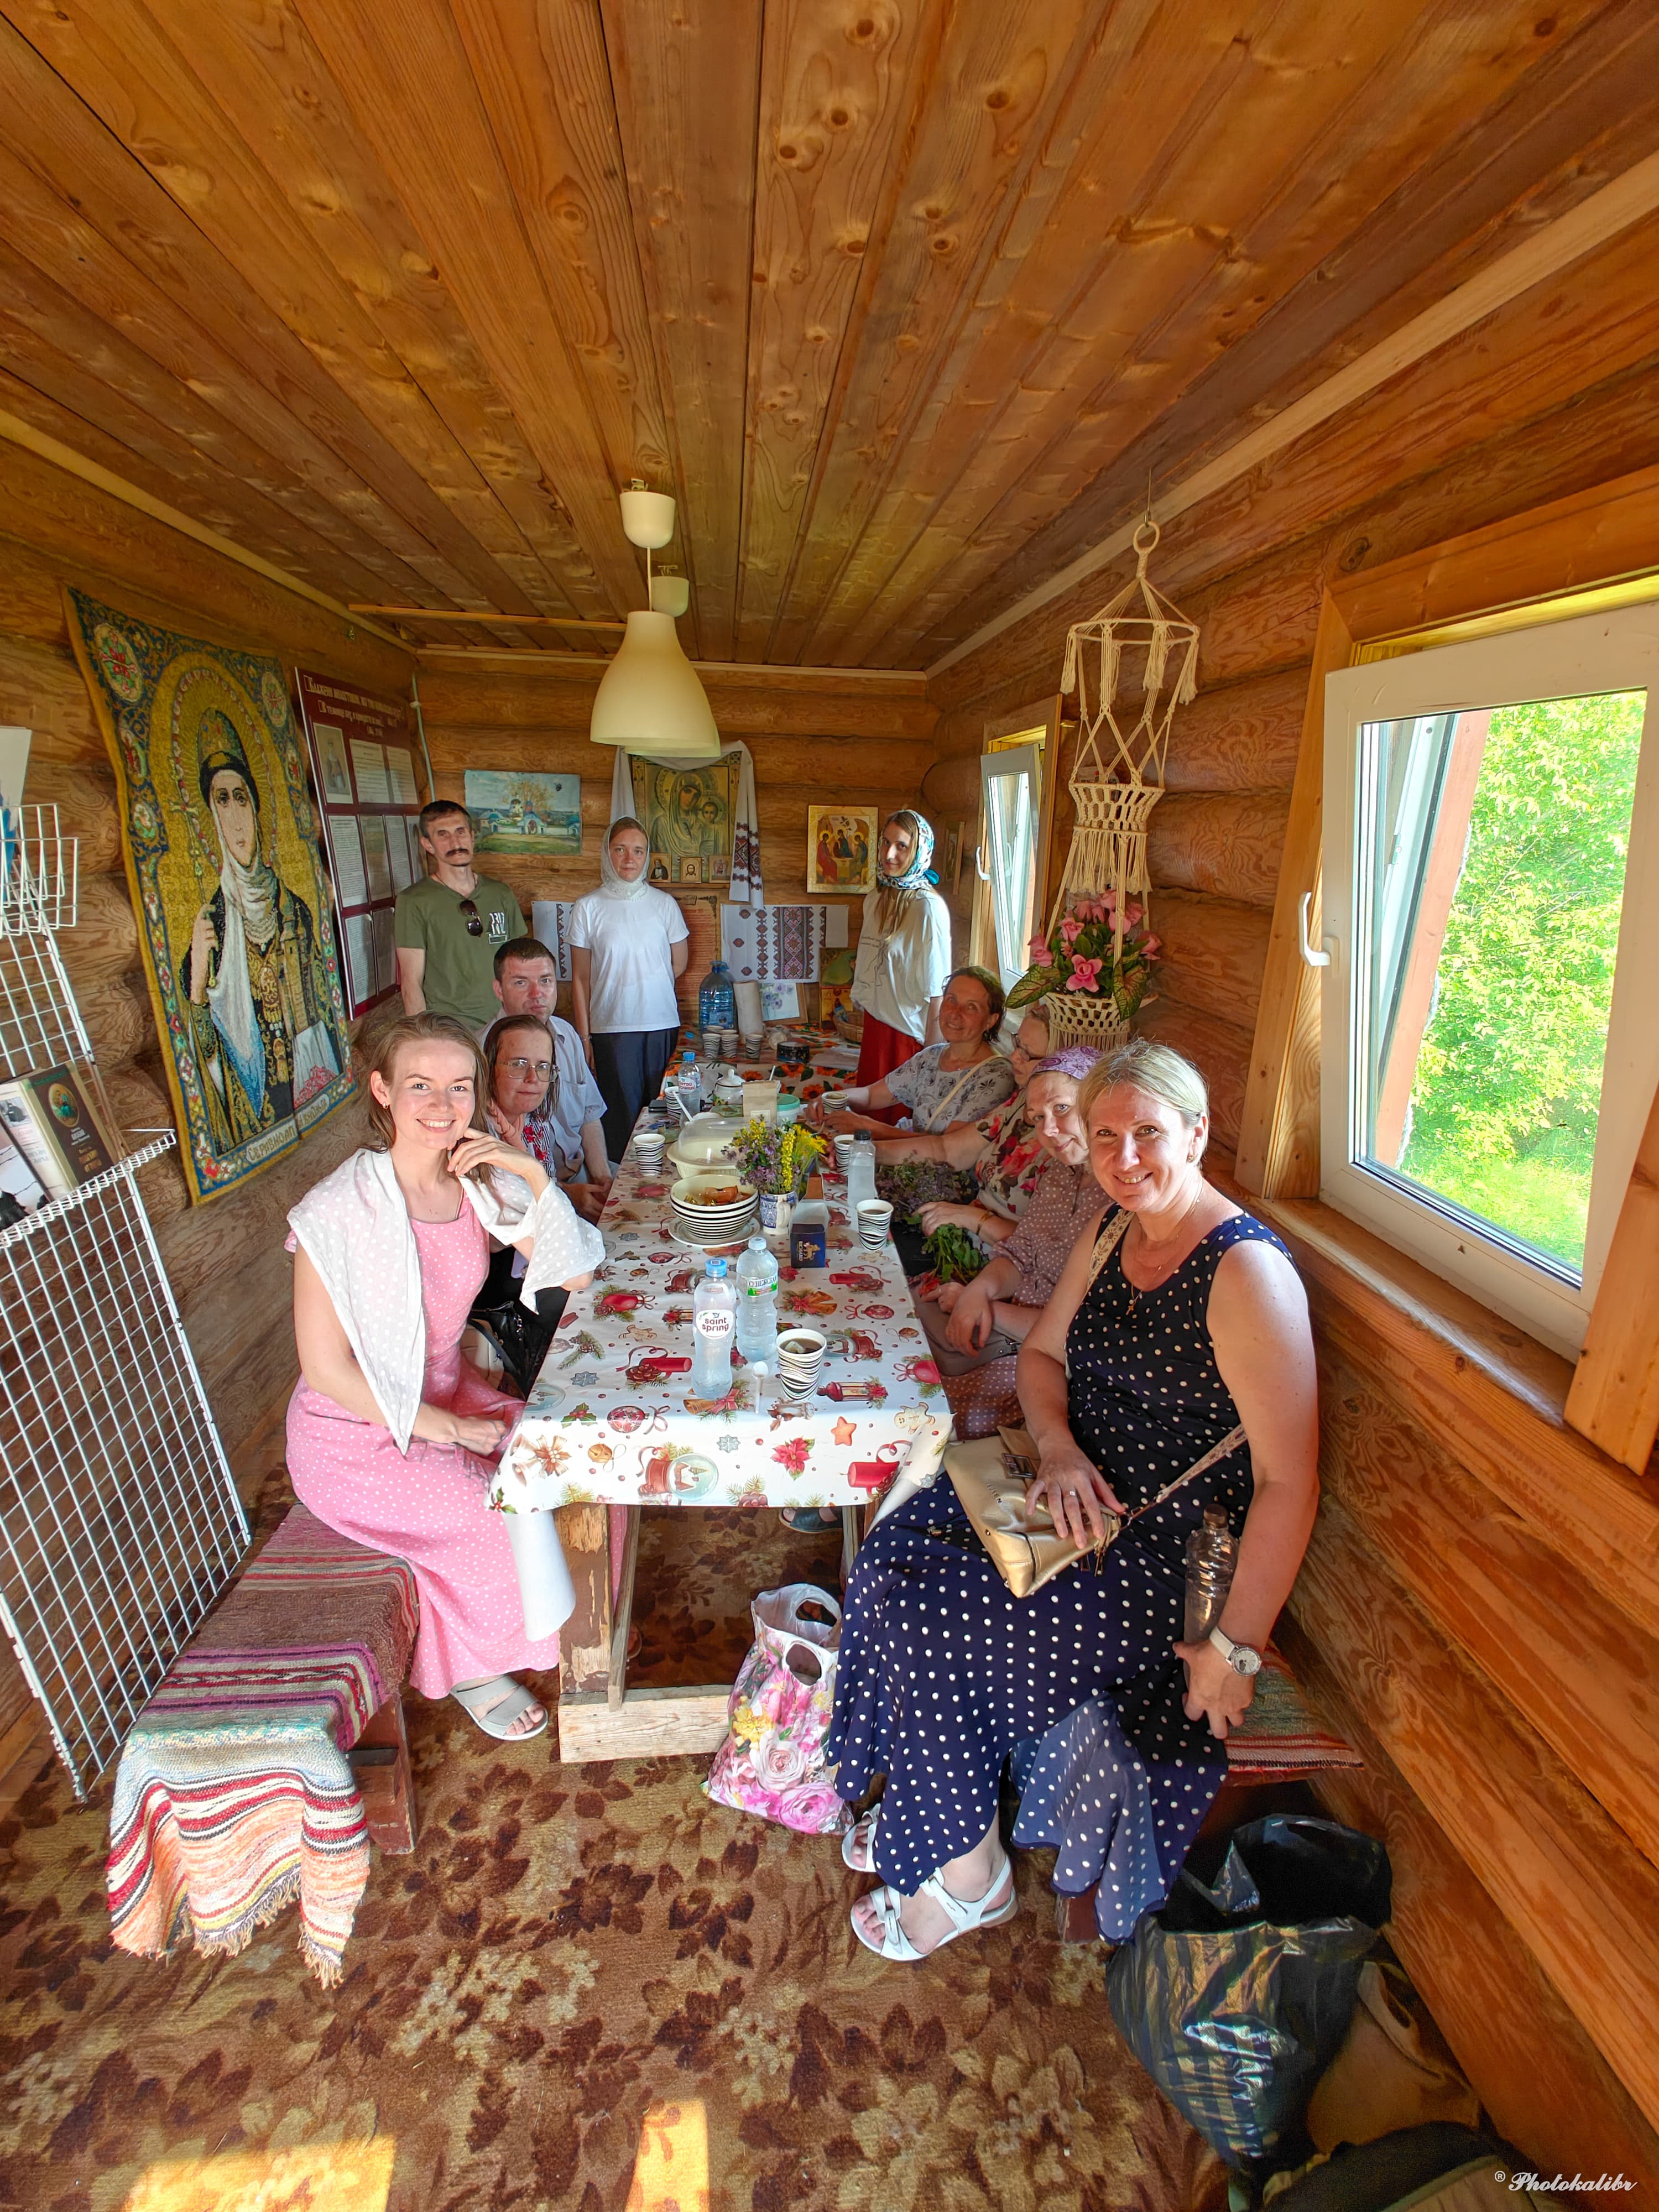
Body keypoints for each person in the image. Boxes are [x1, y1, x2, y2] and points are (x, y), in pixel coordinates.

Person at [827, 1038, 1319, 1960]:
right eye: (1105, 1137)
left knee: (937, 1619)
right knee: (892, 1549)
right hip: (1066, 1489)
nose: (1124, 1157)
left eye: (1148, 1134)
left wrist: (1233, 1650)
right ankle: (935, 1804)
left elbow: (1290, 1483)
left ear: (1197, 1133)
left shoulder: (1246, 1273)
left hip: (1158, 1550)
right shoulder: (1111, 1232)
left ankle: (969, 1878)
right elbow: (1044, 1357)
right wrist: (1055, 1446)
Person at [285, 1013, 604, 1741]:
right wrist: (448, 1429)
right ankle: (468, 1667)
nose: (442, 1105)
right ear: (382, 1090)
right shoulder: (336, 1212)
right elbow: (326, 1371)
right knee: (495, 1511)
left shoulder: (478, 1186)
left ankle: (580, 1623)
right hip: (356, 1434)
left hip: (445, 1388)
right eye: (420, 1085)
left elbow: (577, 1273)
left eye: (459, 1087)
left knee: (574, 1459)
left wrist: (530, 1172)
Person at [183, 717, 344, 1152]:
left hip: (310, 1088)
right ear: (212, 817)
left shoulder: (295, 910)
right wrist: (197, 983)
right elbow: (206, 1054)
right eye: (222, 801)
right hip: (259, 1111)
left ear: (256, 808)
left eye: (241, 798)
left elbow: (326, 1011)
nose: (235, 816)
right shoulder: (210, 927)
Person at [914, 1049, 1103, 1373]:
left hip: (1051, 1360)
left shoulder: (1121, 1199)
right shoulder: (1060, 1173)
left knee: (920, 1383)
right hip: (1010, 1322)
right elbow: (1020, 1252)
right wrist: (978, 1292)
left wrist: (982, 1307)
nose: (1049, 1130)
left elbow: (1080, 1334)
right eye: (1038, 1118)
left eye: (1061, 1108)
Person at [873, 1008, 1053, 1250]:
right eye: (1016, 1044)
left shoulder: (1065, 1141)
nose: (1014, 1057)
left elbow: (1042, 1249)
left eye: (1027, 1053)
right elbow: (948, 1149)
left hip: (1001, 1260)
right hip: (967, 1240)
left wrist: (972, 1217)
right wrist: (866, 1151)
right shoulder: (1020, 1101)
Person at [568, 816, 689, 1160]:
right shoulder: (589, 907)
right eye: (620, 850)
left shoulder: (664, 905)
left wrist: (646, 986)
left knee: (663, 1115)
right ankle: (621, 1188)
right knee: (621, 1120)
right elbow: (580, 979)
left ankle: (663, 1183)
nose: (629, 859)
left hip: (661, 1024)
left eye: (638, 851)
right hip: (612, 1029)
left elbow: (678, 964)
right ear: (607, 853)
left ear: (647, 856)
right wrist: (584, 1038)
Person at [480, 936, 612, 1220]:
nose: (537, 993)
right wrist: (564, 1195)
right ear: (499, 990)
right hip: (526, 1198)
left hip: (580, 1176)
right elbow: (494, 1174)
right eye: (521, 983)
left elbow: (589, 1113)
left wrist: (603, 1179)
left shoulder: (567, 1035)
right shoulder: (482, 1053)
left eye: (545, 981)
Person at [819, 967, 1016, 1139]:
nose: (955, 1013)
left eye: (971, 1007)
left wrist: (868, 1127)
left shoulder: (996, 1075)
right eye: (951, 1000)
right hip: (911, 1163)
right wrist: (830, 1099)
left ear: (991, 1020)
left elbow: (949, 1148)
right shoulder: (931, 1057)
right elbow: (871, 1095)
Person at [849, 811, 952, 1117]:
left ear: (919, 851)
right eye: (886, 843)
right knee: (865, 1124)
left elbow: (937, 991)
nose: (889, 854)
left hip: (905, 1038)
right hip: (875, 1028)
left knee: (895, 1127)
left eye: (902, 846)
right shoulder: (875, 899)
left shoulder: (928, 908)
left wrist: (931, 1060)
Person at [395, 801, 525, 1029]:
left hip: (504, 1021)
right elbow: (411, 983)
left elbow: (521, 965)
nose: (455, 843)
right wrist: (423, 1038)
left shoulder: (500, 893)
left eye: (461, 832)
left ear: (472, 837)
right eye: (443, 835)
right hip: (449, 1028)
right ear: (428, 844)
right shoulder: (414, 901)